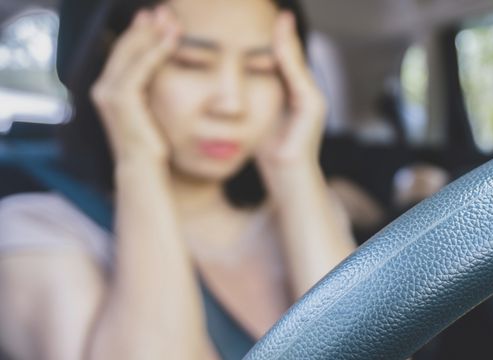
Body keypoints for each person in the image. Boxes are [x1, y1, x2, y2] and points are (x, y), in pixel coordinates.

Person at [0, 0, 356, 359]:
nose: (230, 104)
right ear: (118, 66)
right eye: (191, 63)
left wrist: (295, 169)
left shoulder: (310, 218)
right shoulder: (36, 231)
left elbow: (375, 344)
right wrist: (138, 161)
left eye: (261, 68)